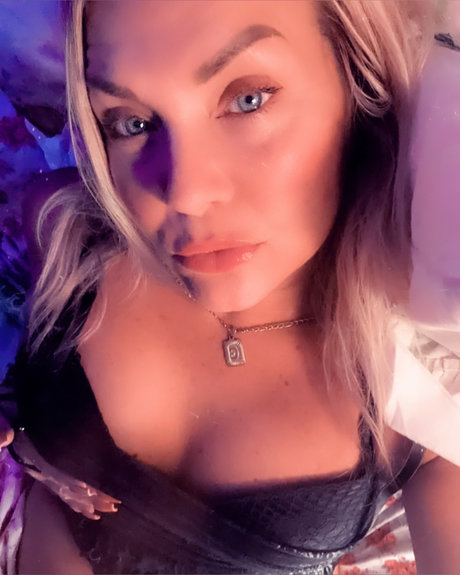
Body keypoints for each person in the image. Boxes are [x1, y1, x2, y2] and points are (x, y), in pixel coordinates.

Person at [1, 1, 459, 573]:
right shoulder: (67, 228)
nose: (184, 193)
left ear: (359, 90)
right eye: (131, 123)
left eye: (249, 100)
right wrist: (28, 441)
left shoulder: (423, 389)